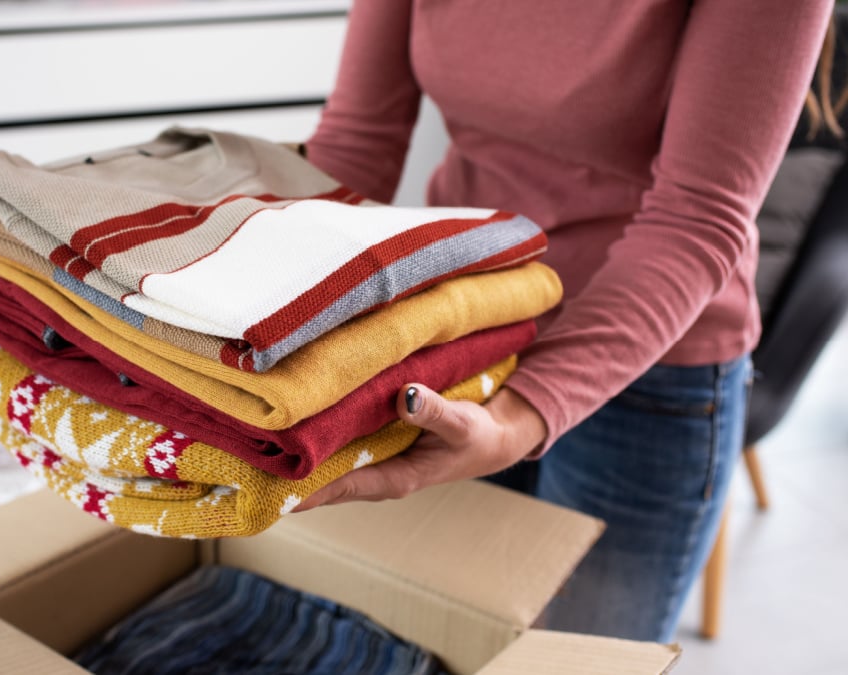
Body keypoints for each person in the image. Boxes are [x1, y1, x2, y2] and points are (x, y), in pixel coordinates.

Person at [293, 0, 835, 643]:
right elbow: (358, 141)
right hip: (468, 330)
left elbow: (697, 219)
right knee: (431, 640)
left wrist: (521, 416)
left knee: (577, 652)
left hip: (648, 366)